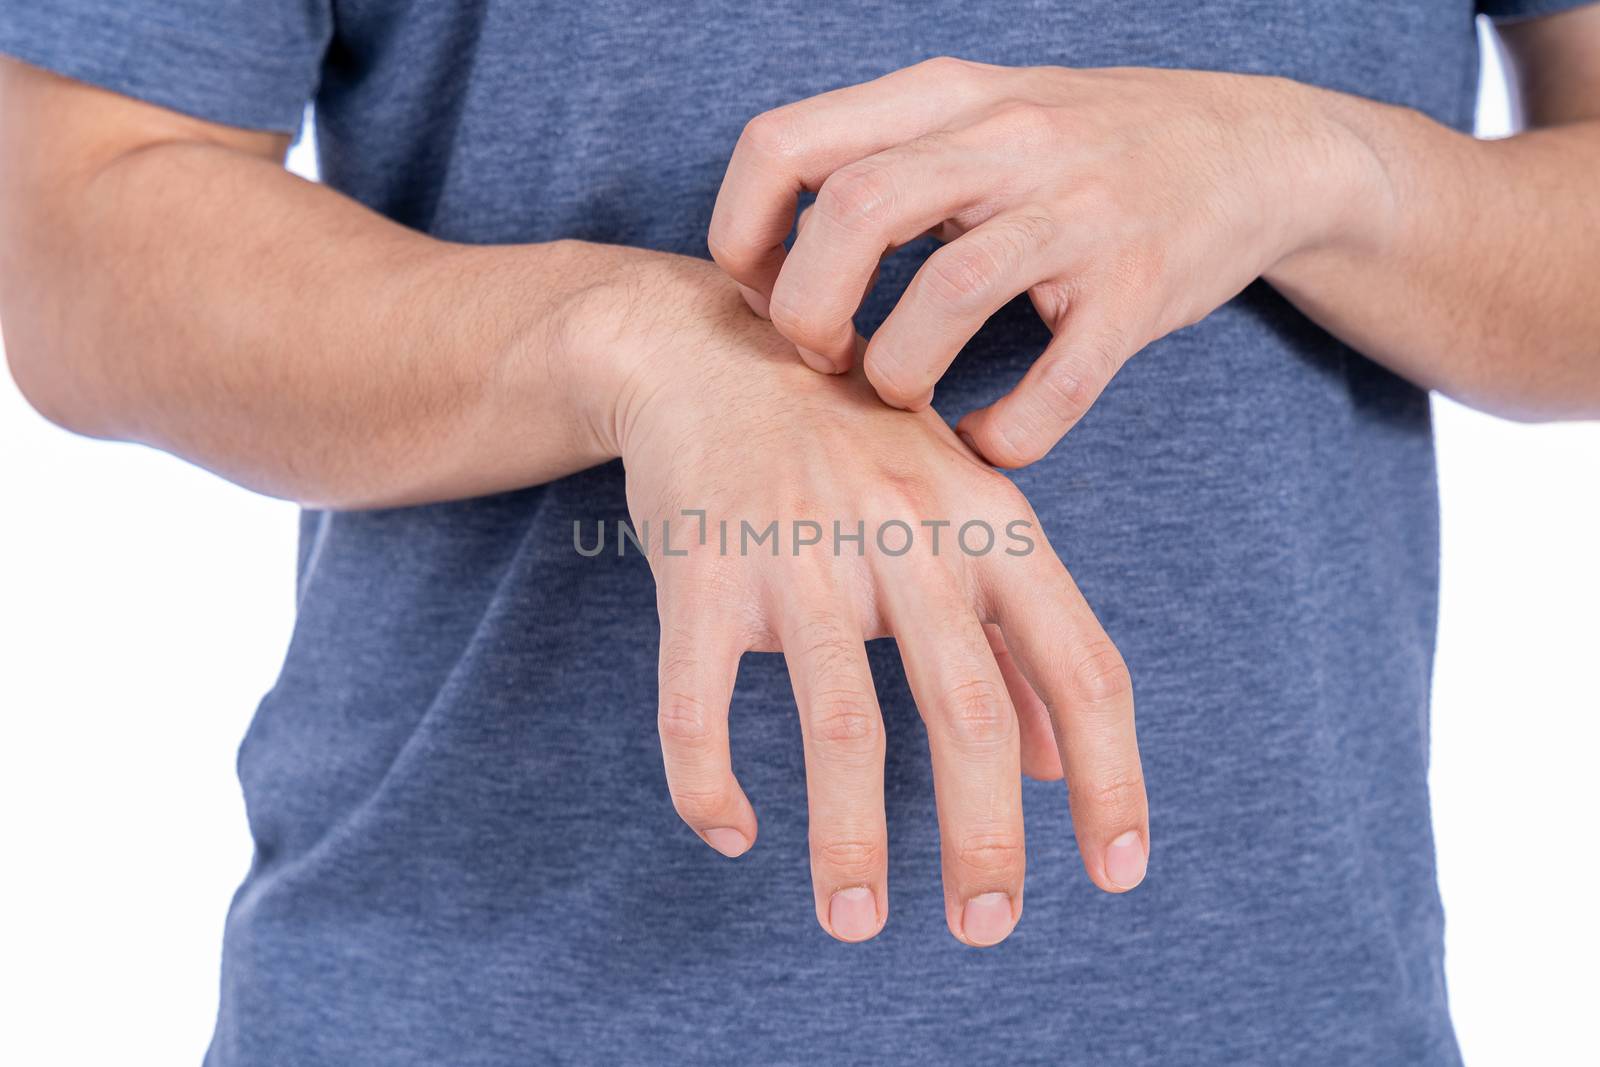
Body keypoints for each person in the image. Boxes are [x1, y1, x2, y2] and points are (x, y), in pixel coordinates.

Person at [1, 0, 1596, 1063]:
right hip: (483, 1003)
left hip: (1285, 1014)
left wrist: (1319, 170)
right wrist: (629, 346)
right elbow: (78, 235)